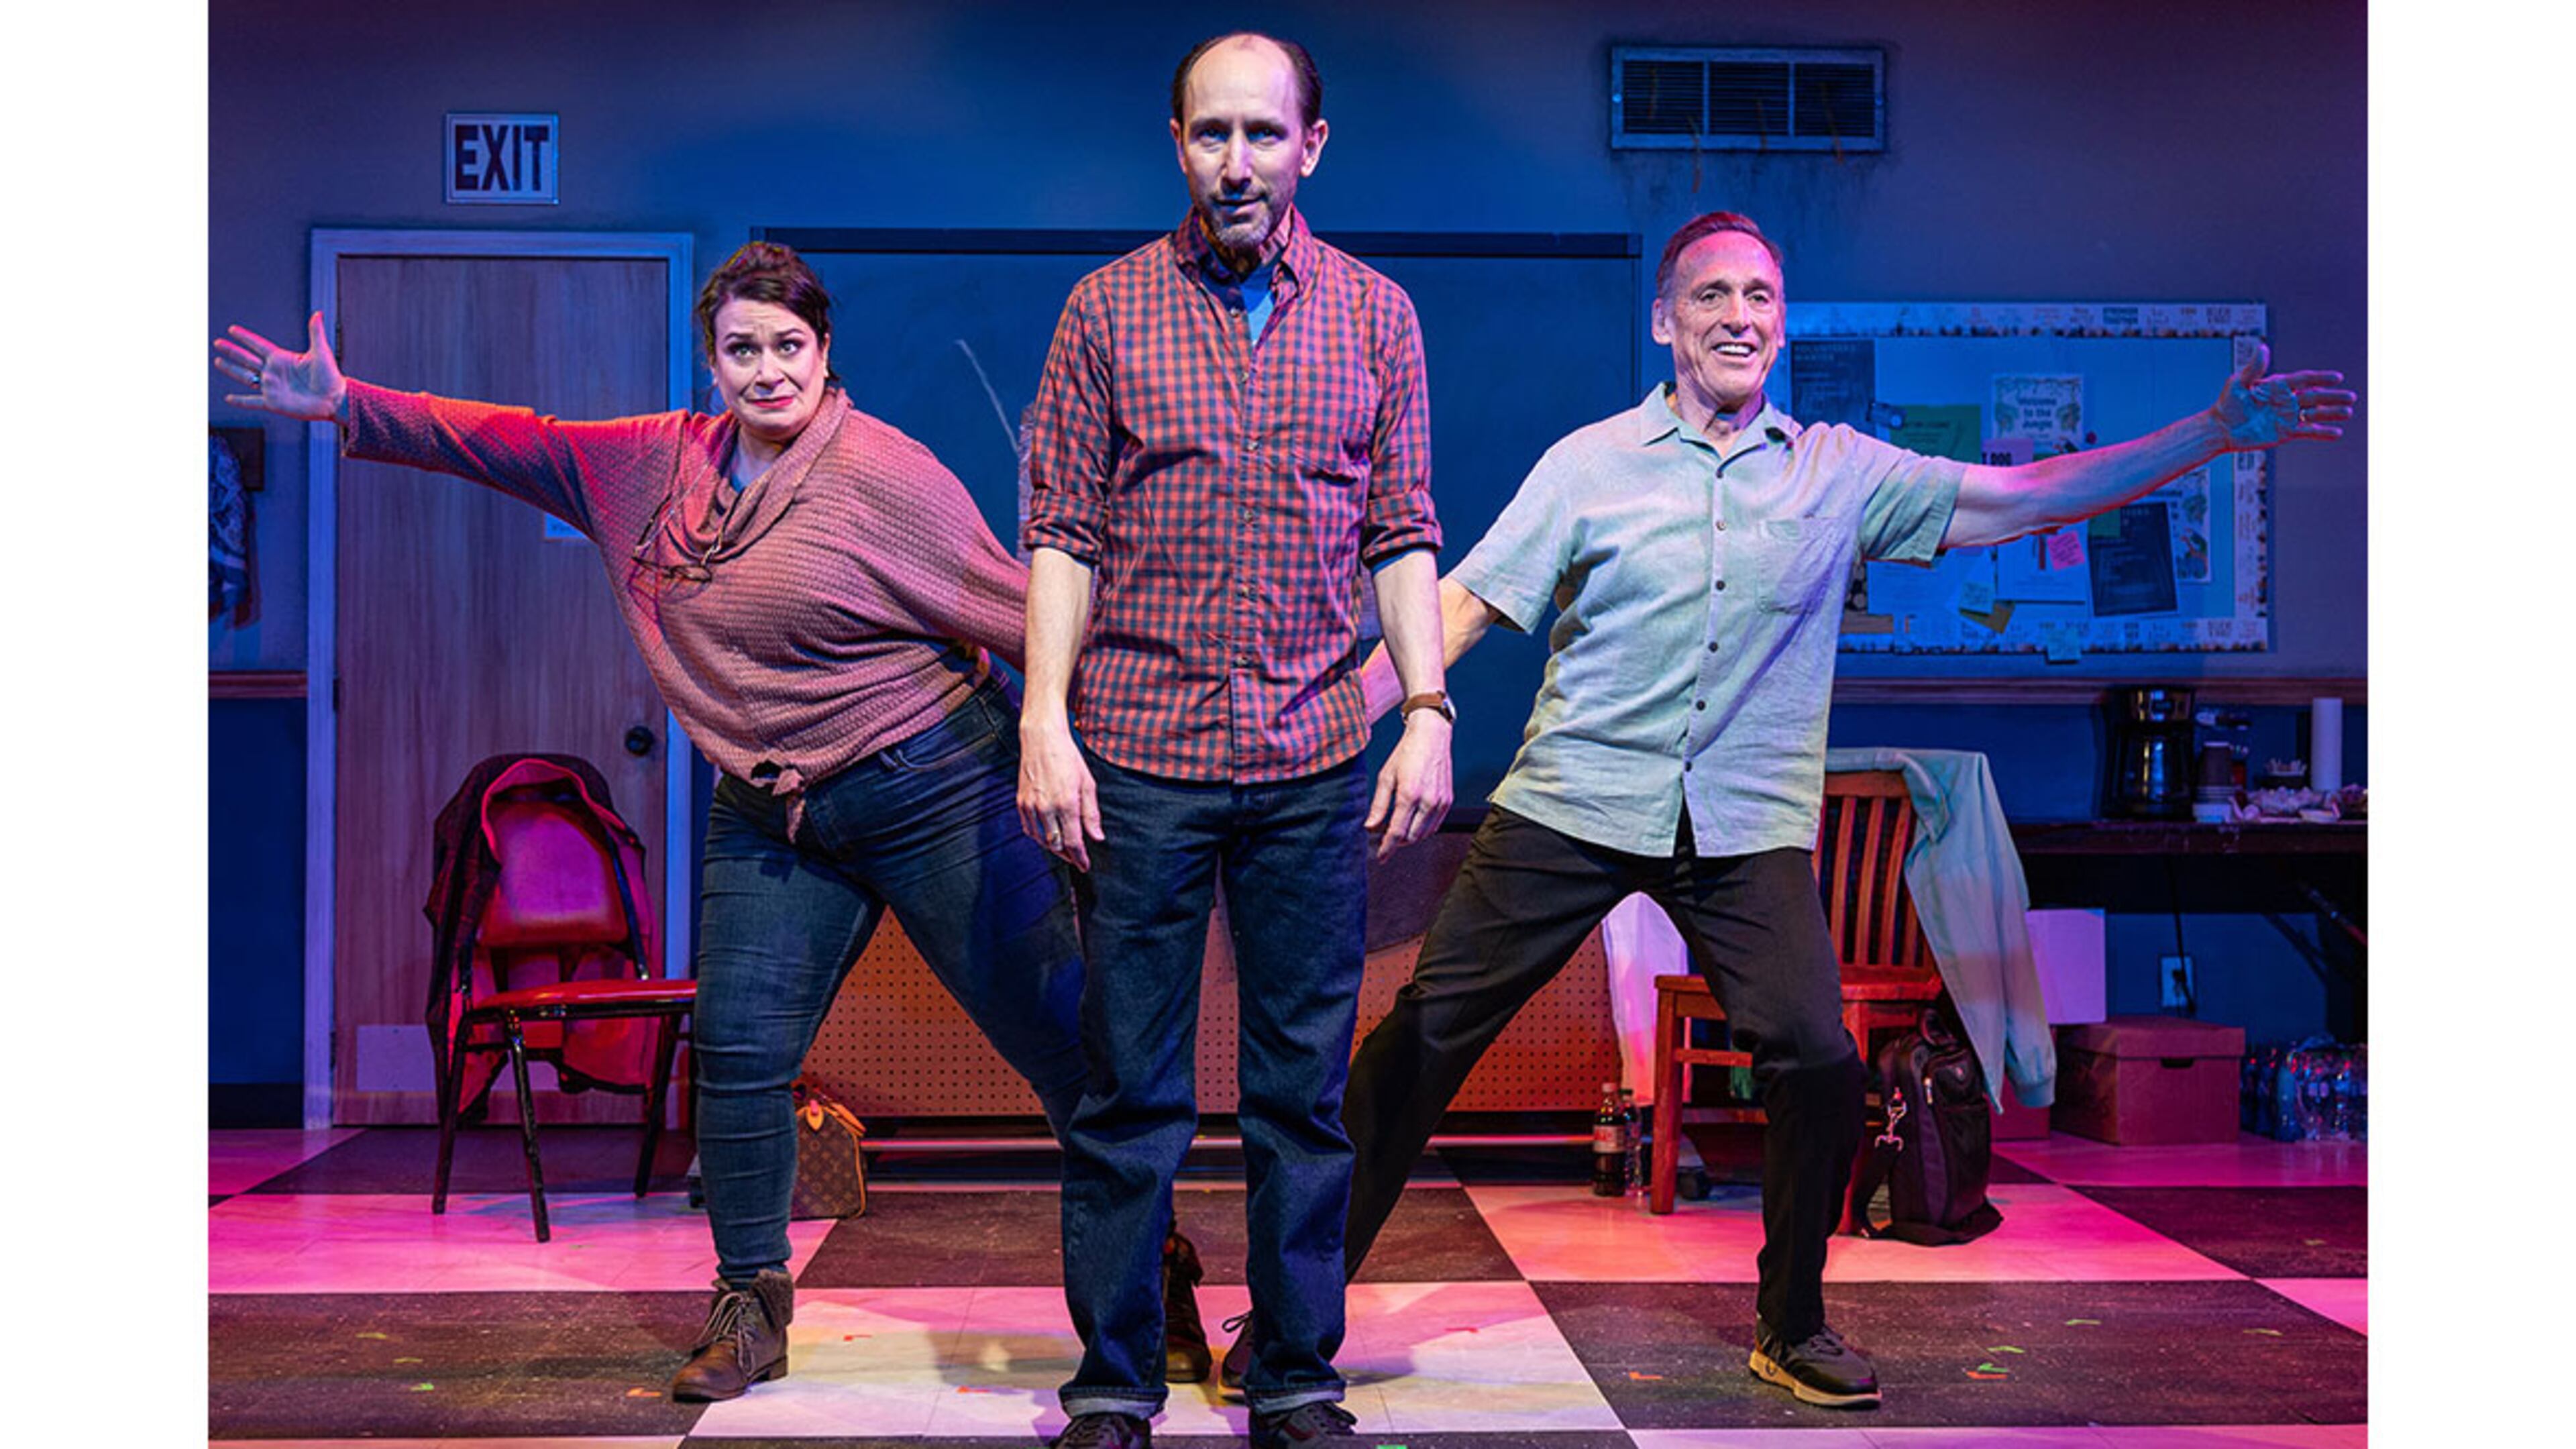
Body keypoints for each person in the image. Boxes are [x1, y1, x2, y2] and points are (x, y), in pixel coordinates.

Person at [1236, 211, 2357, 1411]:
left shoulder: (1842, 471)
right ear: (1664, 322)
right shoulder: (1588, 463)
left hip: (1742, 823)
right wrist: (1321, 726)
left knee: (1818, 1059)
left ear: (1782, 326)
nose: (1738, 316)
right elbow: (1458, 609)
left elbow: (2026, 498)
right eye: (1711, 295)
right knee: (1420, 1041)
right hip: (1575, 799)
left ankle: (1792, 1320)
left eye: (1761, 298)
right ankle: (1292, 1313)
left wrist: (2210, 436)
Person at [211, 241, 1212, 1403]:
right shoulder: (650, 469)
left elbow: (1021, 608)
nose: (768, 371)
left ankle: (1157, 1275)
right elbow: (512, 442)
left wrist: (1176, 711)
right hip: (773, 805)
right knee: (737, 1055)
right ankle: (750, 1305)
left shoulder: (885, 475)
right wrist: (349, 405)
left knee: (1070, 1050)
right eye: (743, 349)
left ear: (826, 353)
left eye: (790, 347)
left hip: (936, 780)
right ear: (712, 359)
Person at [1014, 31, 1453, 1449]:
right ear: (1177, 143)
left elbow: (1402, 537)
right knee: (1128, 1091)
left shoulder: (1379, 317)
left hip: (1316, 757)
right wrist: (1042, 720)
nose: (1238, 162)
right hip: (1137, 753)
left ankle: (1295, 1374)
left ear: (1312, 146)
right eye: (1212, 134)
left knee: (1300, 1095)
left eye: (1264, 134)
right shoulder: (1105, 311)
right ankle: (1114, 1382)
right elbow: (1063, 539)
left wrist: (1430, 710)